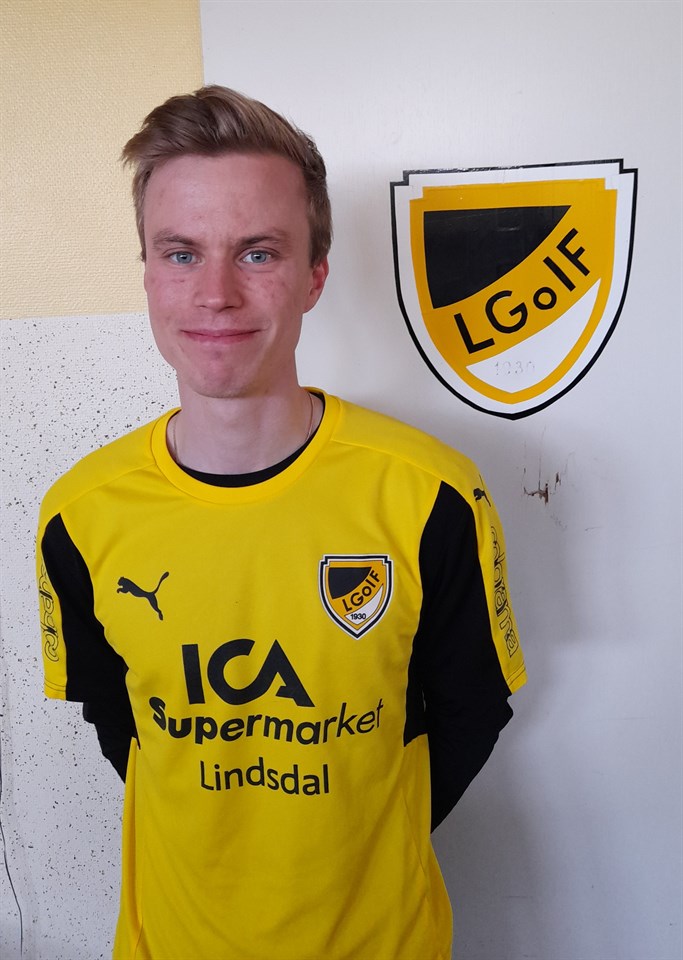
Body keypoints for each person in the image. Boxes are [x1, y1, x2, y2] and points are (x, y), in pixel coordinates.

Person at [37, 85, 527, 960]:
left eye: (257, 253)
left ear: (314, 277)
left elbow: (470, 712)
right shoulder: (78, 514)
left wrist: (351, 846)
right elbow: (118, 719)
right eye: (181, 253)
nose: (215, 294)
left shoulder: (430, 494)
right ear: (146, 272)